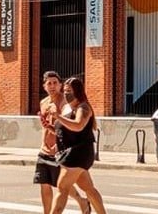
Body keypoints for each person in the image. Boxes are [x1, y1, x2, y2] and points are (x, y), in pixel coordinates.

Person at [46, 76, 107, 214]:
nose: (66, 94)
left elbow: (78, 126)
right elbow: (65, 129)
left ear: (77, 91)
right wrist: (50, 127)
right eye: (65, 91)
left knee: (62, 187)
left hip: (78, 153)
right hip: (70, 152)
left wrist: (58, 116)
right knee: (88, 188)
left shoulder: (83, 107)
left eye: (69, 91)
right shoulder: (67, 108)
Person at [34, 71, 89, 214]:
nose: (52, 86)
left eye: (55, 83)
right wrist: (45, 128)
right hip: (44, 149)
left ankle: (82, 201)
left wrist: (57, 146)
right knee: (44, 183)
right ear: (44, 86)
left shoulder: (65, 103)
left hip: (59, 150)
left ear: (60, 85)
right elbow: (47, 126)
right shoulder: (43, 102)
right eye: (49, 83)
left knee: (62, 185)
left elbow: (66, 128)